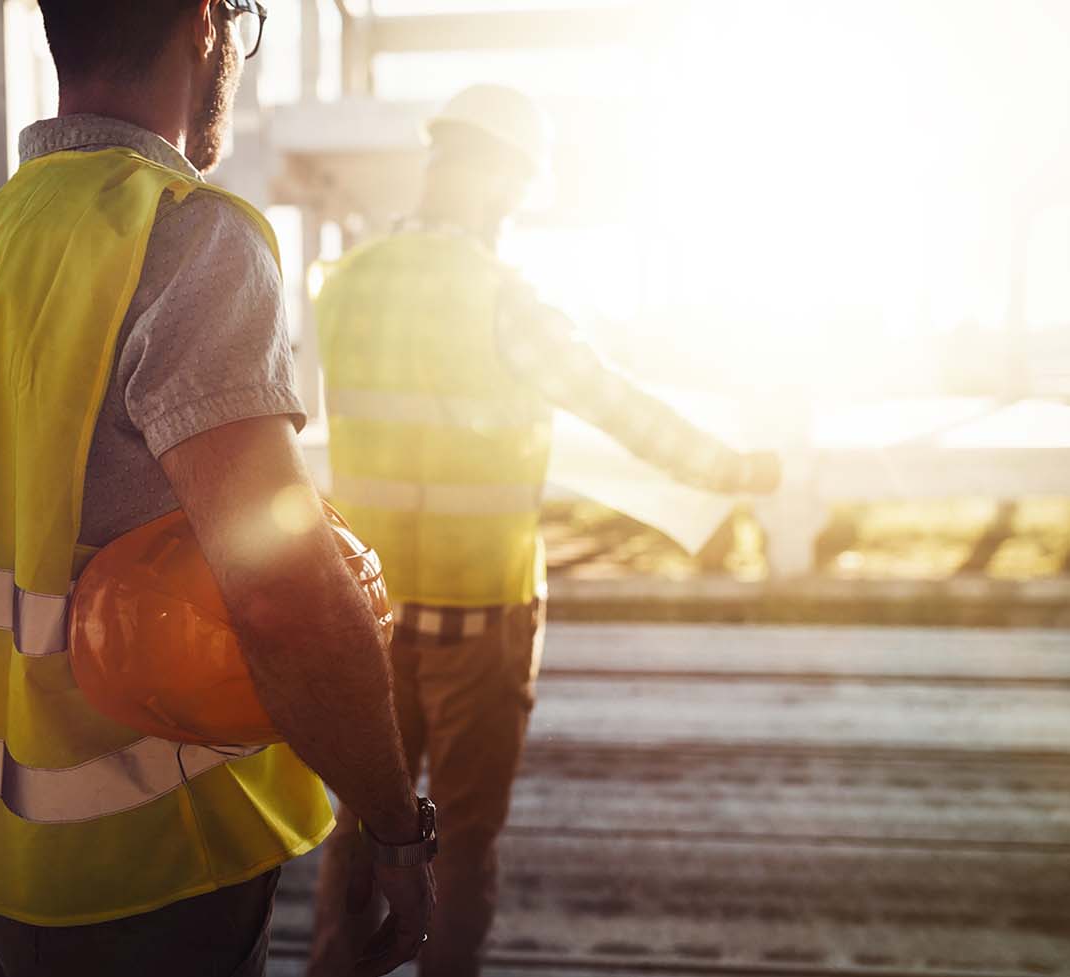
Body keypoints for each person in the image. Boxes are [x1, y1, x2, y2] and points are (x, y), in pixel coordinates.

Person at [0, 2, 434, 975]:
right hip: (147, 854)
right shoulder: (189, 238)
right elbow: (281, 589)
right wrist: (392, 823)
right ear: (207, 21)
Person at [307, 84, 782, 977]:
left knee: (365, 830)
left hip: (366, 620)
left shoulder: (344, 286)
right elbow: (622, 409)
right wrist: (740, 471)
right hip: (480, 622)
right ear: (503, 184)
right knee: (463, 844)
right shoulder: (505, 299)